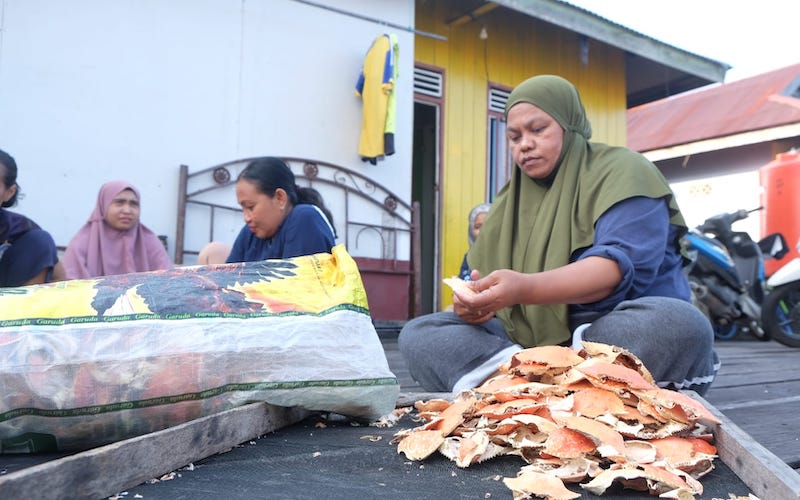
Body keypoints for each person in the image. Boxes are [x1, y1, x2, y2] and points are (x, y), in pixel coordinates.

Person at [399, 75, 719, 396]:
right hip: (524, 344)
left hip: (607, 331)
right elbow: (475, 280)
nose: (524, 144)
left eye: (538, 130)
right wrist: (473, 304)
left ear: (570, 124)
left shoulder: (623, 171)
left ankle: (552, 381)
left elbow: (615, 270)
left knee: (678, 323)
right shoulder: (506, 205)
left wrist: (522, 288)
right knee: (420, 332)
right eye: (514, 137)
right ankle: (539, 382)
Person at [226, 157, 336, 263]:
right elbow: (227, 278)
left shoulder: (304, 219)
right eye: (243, 208)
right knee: (215, 250)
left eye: (250, 207)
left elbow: (296, 281)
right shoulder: (251, 232)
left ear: (280, 198)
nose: (246, 218)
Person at [62, 180, 172, 279]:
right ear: (103, 205)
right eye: (119, 203)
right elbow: (69, 286)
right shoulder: (82, 243)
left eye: (133, 204)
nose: (127, 210)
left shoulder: (149, 241)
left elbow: (169, 282)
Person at [0, 148, 65, 286]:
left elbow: (59, 279)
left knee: (40, 241)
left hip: (8, 302)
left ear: (9, 192)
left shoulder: (20, 229)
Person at [458, 203, 491, 281]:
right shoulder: (469, 257)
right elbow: (462, 280)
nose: (482, 231)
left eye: (487, 225)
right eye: (477, 227)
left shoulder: (504, 256)